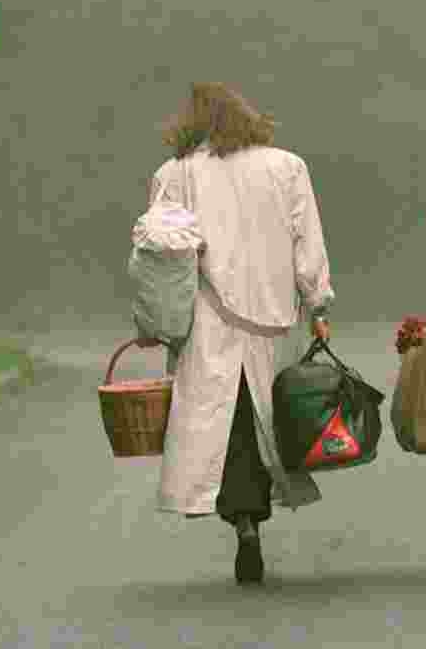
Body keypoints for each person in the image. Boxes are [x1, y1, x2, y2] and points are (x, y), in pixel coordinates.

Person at [138, 81, 334, 585]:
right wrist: (318, 301)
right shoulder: (287, 167)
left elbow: (158, 257)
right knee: (268, 417)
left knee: (224, 421)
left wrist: (155, 321)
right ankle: (252, 516)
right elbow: (305, 240)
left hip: (208, 321)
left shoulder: (174, 174)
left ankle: (243, 519)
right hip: (273, 320)